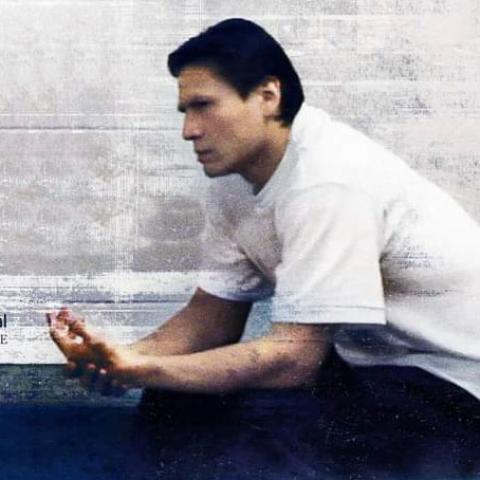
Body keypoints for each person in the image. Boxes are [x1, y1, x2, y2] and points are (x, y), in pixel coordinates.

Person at [49, 18, 480, 433]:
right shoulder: (238, 177)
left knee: (262, 436)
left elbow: (295, 360)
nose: (188, 130)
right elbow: (212, 318)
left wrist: (145, 369)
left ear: (268, 96)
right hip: (370, 368)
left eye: (203, 106)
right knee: (179, 399)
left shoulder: (328, 180)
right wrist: (118, 358)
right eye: (185, 110)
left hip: (455, 381)